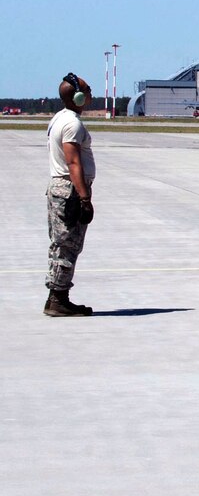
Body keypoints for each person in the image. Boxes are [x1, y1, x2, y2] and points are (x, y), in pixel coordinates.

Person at [45, 72, 96, 317]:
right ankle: (58, 299)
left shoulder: (59, 118)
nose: (90, 92)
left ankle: (55, 297)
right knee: (68, 246)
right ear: (77, 96)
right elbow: (73, 162)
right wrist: (84, 198)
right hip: (70, 190)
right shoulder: (72, 124)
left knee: (61, 245)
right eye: (86, 89)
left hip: (61, 188)